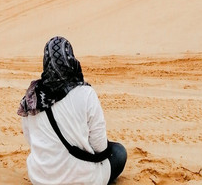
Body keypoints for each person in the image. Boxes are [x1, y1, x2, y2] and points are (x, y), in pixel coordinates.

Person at [18, 36, 127, 185]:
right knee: (119, 152)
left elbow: (32, 141)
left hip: (40, 179)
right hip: (83, 179)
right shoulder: (85, 93)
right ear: (71, 60)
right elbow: (100, 147)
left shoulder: (32, 98)